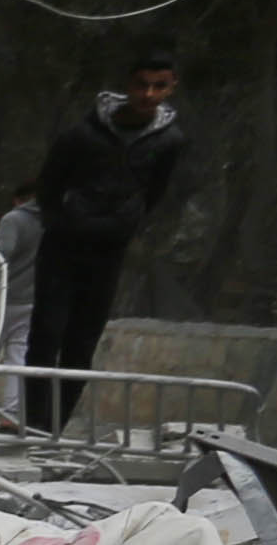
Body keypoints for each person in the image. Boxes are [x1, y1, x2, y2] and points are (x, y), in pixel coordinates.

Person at [19, 59, 188, 433]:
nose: (148, 95)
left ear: (171, 87)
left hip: (109, 250)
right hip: (62, 244)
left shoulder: (169, 141)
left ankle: (54, 429)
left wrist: (127, 224)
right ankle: (34, 423)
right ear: (128, 84)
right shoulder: (82, 134)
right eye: (141, 84)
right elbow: (50, 182)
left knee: (82, 341)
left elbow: (156, 192)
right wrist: (60, 218)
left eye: (159, 86)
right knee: (46, 333)